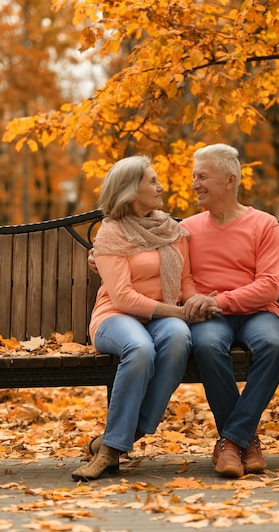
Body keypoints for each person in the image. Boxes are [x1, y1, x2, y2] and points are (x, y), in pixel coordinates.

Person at [72, 155, 211, 482]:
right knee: (140, 348)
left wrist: (194, 304)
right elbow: (121, 296)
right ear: (130, 190)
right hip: (115, 317)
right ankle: (110, 450)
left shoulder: (170, 229)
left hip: (162, 317)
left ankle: (114, 443)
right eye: (151, 181)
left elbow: (186, 282)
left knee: (179, 336)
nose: (160, 186)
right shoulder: (111, 233)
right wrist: (175, 311)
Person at [180, 144, 279, 478]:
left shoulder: (264, 224)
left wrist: (218, 300)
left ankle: (231, 442)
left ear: (229, 181)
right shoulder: (187, 228)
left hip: (257, 312)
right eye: (194, 177)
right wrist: (195, 301)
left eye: (202, 176)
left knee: (275, 344)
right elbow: (184, 280)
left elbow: (269, 286)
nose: (194, 184)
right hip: (211, 318)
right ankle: (246, 444)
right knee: (207, 346)